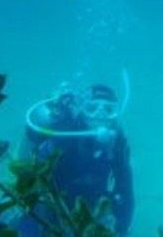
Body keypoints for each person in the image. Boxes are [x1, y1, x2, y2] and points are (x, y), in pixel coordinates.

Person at [12, 82, 134, 235]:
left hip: (90, 208)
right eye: (92, 108)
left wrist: (121, 230)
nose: (100, 115)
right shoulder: (64, 134)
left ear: (115, 114)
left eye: (108, 110)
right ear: (82, 110)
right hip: (51, 203)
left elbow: (125, 188)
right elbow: (34, 178)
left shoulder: (116, 144)